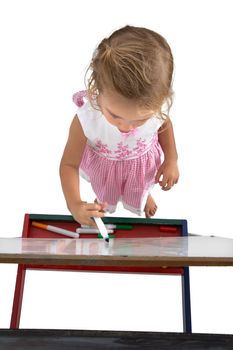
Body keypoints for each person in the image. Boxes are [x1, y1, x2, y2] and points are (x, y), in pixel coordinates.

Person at [60, 25, 179, 227]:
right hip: (107, 168)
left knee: (140, 183)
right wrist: (75, 204)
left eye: (140, 120)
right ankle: (106, 200)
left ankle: (143, 195)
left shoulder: (156, 107)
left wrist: (171, 160)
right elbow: (68, 164)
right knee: (106, 192)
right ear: (96, 87)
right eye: (115, 116)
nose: (126, 128)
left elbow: (164, 124)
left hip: (139, 163)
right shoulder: (87, 118)